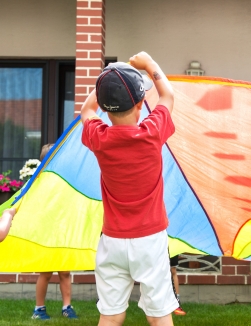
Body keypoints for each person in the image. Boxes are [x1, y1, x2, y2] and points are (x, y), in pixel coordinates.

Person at [80, 52, 178, 326]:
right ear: (141, 103)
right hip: (150, 239)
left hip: (111, 242)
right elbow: (168, 96)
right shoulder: (152, 133)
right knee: (159, 316)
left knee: (110, 316)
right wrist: (150, 64)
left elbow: (86, 111)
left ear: (107, 108)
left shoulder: (99, 137)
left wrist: (107, 80)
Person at [32, 143, 78, 320]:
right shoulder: (38, 181)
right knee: (46, 272)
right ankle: (39, 309)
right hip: (46, 233)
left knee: (65, 271)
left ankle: (67, 306)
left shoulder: (65, 180)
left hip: (63, 231)